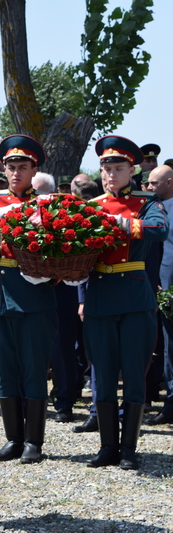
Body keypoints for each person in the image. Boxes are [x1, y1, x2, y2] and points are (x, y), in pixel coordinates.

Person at [81, 135, 167, 470]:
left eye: (118, 168)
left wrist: (121, 223)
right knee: (102, 374)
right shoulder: (92, 205)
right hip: (100, 297)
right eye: (106, 169)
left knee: (134, 373)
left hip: (134, 296)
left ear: (131, 170)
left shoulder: (147, 201)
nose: (111, 175)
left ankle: (129, 448)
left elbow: (159, 229)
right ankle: (107, 447)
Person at [0, 135, 57, 465]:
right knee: (5, 370)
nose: (15, 173)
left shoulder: (48, 203)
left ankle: (34, 441)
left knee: (33, 369)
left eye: (22, 167)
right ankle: (13, 438)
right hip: (0, 296)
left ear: (34, 170)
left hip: (34, 294)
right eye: (10, 167)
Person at [147, 165, 173, 425]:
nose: (149, 188)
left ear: (170, 182)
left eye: (154, 183)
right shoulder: (152, 209)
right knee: (168, 348)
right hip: (164, 290)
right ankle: (171, 403)